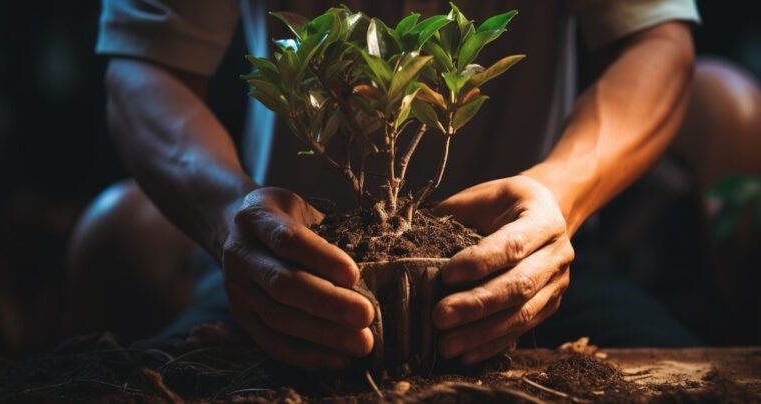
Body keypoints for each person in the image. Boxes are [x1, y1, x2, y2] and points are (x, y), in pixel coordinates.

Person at [67, 0, 704, 369]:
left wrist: (561, 193)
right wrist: (227, 211)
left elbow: (655, 41)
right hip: (279, 275)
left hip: (539, 267)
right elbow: (146, 69)